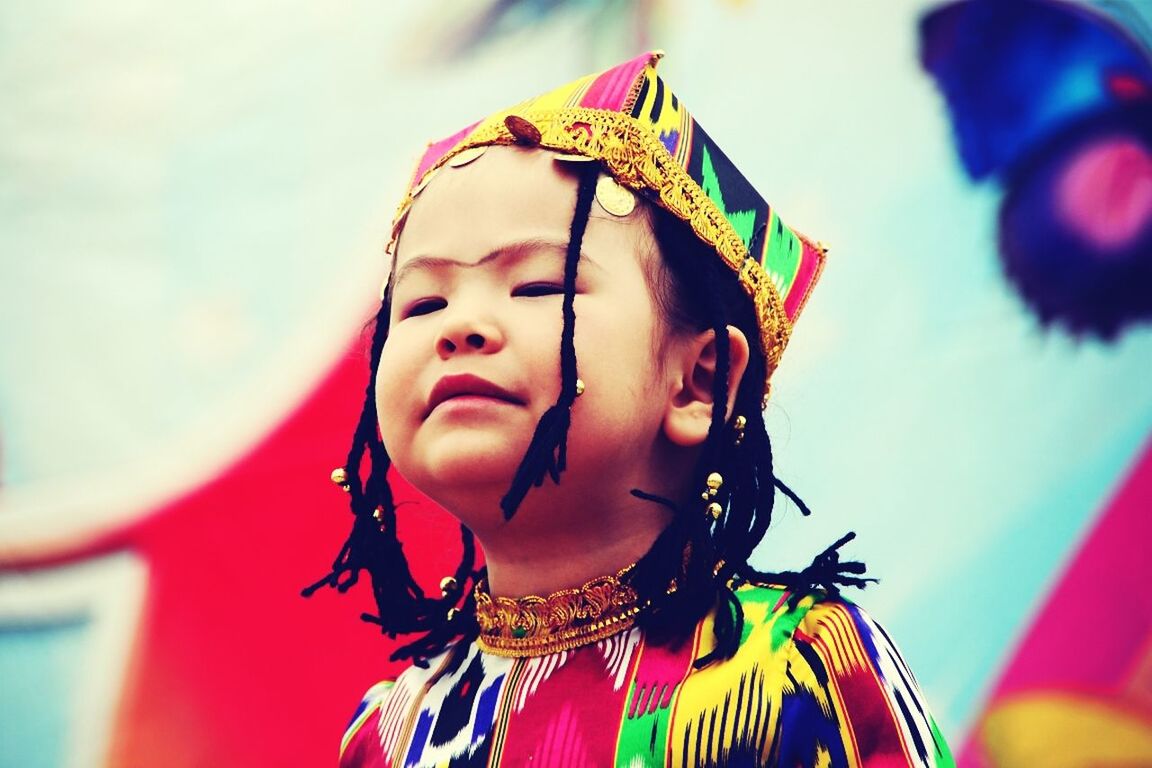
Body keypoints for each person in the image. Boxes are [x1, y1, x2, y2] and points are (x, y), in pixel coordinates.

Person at [306, 51, 955, 767]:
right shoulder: (391, 731)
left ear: (700, 381)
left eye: (535, 286)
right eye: (423, 302)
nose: (460, 327)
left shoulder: (792, 668)